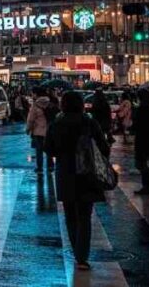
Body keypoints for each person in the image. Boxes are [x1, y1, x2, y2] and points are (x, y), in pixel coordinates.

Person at [43, 90, 111, 271]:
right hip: (87, 173)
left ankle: (76, 251)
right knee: (85, 216)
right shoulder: (89, 122)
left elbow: (48, 149)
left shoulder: (57, 123)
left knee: (70, 215)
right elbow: (104, 147)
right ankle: (82, 256)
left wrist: (62, 154)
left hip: (65, 172)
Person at [26, 90, 54, 173]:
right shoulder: (49, 103)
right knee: (49, 150)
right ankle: (50, 166)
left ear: (37, 95)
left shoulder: (35, 106)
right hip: (49, 131)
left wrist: (28, 129)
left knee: (39, 151)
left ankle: (40, 168)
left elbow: (30, 120)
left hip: (38, 132)